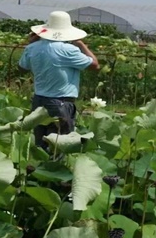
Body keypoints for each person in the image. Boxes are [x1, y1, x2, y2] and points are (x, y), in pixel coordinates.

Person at [18, 11, 99, 151]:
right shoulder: (69, 50)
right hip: (60, 103)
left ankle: (38, 170)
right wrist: (81, 44)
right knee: (59, 147)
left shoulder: (31, 48)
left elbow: (21, 68)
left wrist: (30, 44)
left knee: (41, 146)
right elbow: (95, 65)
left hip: (38, 101)